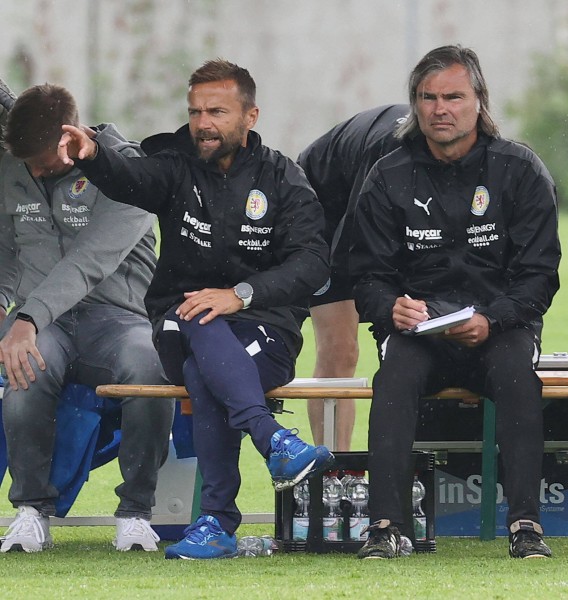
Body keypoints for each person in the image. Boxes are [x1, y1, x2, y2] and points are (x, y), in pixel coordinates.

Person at [56, 59, 335, 560]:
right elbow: (131, 178)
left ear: (251, 116)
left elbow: (314, 262)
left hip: (264, 329)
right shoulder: (176, 164)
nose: (203, 123)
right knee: (193, 314)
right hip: (175, 321)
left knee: (205, 370)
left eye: (217, 112)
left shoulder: (284, 179)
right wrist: (94, 155)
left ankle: (217, 522)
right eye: (195, 111)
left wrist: (241, 295)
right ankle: (272, 440)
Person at [351, 45, 562, 559]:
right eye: (427, 98)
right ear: (414, 105)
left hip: (499, 327)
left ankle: (525, 525)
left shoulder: (519, 168)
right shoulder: (387, 175)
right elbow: (366, 278)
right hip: (418, 332)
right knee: (393, 377)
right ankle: (386, 526)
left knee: (518, 376)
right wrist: (391, 309)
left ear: (478, 102)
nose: (439, 109)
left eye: (453, 97)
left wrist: (495, 319)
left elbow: (540, 276)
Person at [0, 84, 175, 553]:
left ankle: (136, 512)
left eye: (41, 160)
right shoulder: (15, 162)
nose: (33, 172)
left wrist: (25, 318)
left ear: (67, 137)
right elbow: (4, 246)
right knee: (25, 364)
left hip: (118, 318)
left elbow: (88, 262)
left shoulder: (129, 169)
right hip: (42, 324)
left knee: (149, 366)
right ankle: (31, 511)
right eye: (25, 163)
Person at [298, 104, 406, 451]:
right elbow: (354, 246)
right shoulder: (389, 154)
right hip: (324, 207)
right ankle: (334, 472)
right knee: (340, 348)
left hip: (377, 208)